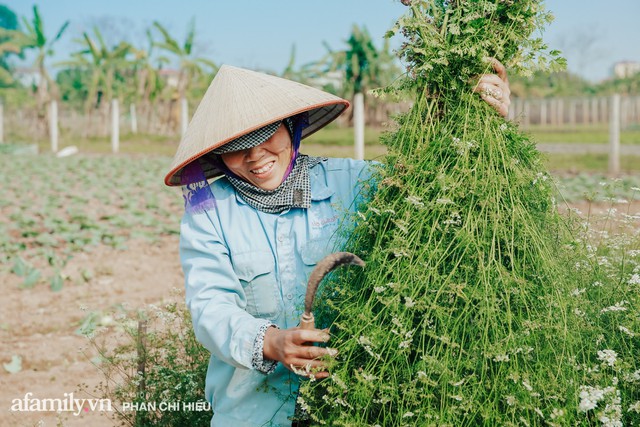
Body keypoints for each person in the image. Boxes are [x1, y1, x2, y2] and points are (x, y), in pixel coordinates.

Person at [164, 62, 511, 427]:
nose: (254, 155)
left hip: (356, 402)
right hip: (252, 410)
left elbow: (433, 186)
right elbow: (209, 307)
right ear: (216, 154)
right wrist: (271, 342)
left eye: (266, 135)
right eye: (236, 146)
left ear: (291, 127)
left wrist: (478, 116)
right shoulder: (209, 213)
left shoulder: (356, 182)